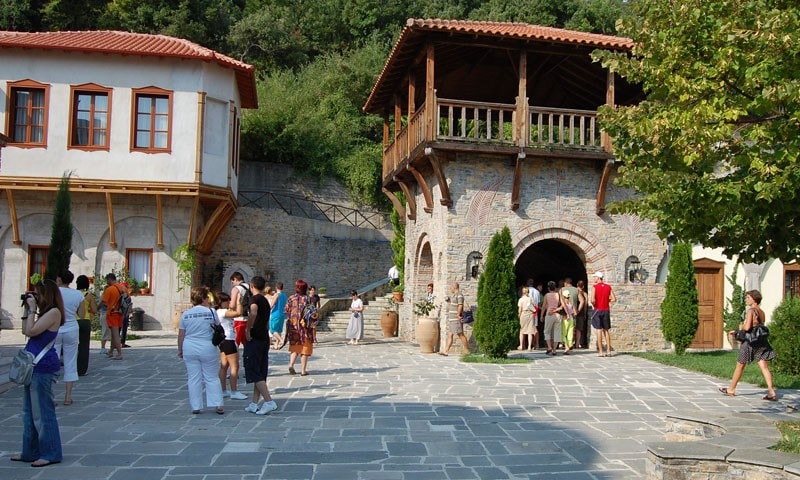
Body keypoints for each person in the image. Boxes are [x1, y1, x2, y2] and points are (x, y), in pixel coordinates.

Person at [11, 279, 63, 467]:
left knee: (42, 412)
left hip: (43, 366)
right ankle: (30, 451)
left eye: (38, 294)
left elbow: (32, 332)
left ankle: (51, 453)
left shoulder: (54, 313)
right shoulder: (43, 313)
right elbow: (26, 329)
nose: (36, 297)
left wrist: (32, 309)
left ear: (46, 295)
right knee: (28, 412)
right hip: (32, 366)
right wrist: (28, 309)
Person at [719, 290, 777, 400]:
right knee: (764, 366)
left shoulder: (751, 311)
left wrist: (737, 331)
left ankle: (731, 389)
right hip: (760, 341)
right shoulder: (761, 312)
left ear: (754, 299)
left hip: (750, 342)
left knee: (740, 364)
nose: (746, 299)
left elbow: (747, 328)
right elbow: (759, 325)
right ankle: (771, 391)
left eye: (748, 297)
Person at [178, 286, 225, 415]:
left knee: (193, 377)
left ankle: (196, 406)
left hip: (189, 347)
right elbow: (218, 327)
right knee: (211, 376)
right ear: (204, 298)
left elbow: (181, 334)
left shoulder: (186, 314)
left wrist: (180, 349)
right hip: (207, 346)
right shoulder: (211, 312)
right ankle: (218, 404)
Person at [243, 276, 278, 415]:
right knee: (260, 370)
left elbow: (253, 312)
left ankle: (269, 401)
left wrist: (248, 329)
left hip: (255, 338)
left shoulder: (254, 299)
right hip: (264, 337)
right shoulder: (265, 300)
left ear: (251, 285)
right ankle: (254, 403)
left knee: (253, 369)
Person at [55, 269, 85, 405]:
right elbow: (82, 314)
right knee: (70, 361)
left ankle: (51, 395)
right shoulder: (77, 294)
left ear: (59, 279)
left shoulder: (54, 292)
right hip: (72, 328)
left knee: (52, 361)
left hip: (55, 328)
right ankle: (68, 396)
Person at [214, 292, 248, 400]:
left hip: (223, 340)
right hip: (229, 339)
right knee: (235, 366)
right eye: (227, 301)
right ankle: (234, 391)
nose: (229, 302)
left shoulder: (217, 312)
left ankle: (223, 390)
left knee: (224, 366)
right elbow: (238, 313)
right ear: (221, 302)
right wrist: (239, 301)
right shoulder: (223, 312)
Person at [285, 280, 317, 375]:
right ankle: (303, 371)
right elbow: (313, 313)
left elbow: (286, 310)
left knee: (295, 347)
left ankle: (291, 364)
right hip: (305, 327)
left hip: (294, 327)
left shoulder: (291, 298)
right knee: (305, 349)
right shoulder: (308, 299)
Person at [589, 271, 616, 357]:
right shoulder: (608, 287)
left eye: (595, 277)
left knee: (598, 330)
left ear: (598, 277)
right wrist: (607, 301)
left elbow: (592, 300)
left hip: (597, 309)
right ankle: (608, 351)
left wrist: (594, 303)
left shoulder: (595, 287)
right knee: (606, 330)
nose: (594, 278)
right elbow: (614, 299)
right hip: (606, 310)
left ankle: (600, 351)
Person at [439, 283, 470, 356]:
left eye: (451, 287)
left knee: (460, 334)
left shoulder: (459, 295)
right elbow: (453, 305)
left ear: (454, 287)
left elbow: (460, 305)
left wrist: (458, 314)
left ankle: (467, 351)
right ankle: (446, 351)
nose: (450, 289)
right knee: (450, 335)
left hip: (456, 319)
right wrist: (449, 301)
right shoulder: (454, 295)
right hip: (452, 319)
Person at [99, 273, 125, 360]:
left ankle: (119, 353)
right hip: (121, 313)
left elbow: (103, 302)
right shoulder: (123, 288)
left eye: (107, 280)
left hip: (112, 313)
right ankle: (111, 351)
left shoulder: (110, 289)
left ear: (109, 280)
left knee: (115, 334)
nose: (107, 282)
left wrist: (96, 308)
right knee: (115, 334)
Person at [75, 275, 98, 376]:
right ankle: (82, 369)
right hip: (85, 320)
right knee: (84, 346)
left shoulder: (74, 294)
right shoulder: (89, 295)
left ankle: (72, 366)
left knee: (73, 345)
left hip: (74, 321)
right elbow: (94, 310)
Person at [229, 272, 251, 347]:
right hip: (248, 317)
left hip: (238, 317)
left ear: (235, 279)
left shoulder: (236, 289)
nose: (233, 284)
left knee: (235, 342)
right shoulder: (250, 287)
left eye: (233, 282)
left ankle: (235, 358)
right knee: (246, 341)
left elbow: (232, 305)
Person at [560, 278, 580, 355]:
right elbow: (575, 313)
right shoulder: (571, 303)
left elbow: (561, 308)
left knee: (563, 333)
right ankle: (570, 344)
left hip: (565, 319)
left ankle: (566, 347)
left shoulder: (563, 302)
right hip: (571, 319)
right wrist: (572, 314)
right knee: (570, 333)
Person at [541, 281, 562, 355]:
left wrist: (541, 315)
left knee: (547, 331)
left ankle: (549, 347)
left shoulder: (546, 295)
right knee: (557, 332)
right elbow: (561, 305)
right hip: (557, 314)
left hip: (549, 314)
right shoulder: (558, 295)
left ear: (548, 288)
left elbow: (544, 306)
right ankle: (554, 349)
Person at [269, 282, 288, 350]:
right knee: (279, 330)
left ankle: (282, 340)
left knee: (272, 330)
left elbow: (272, 304)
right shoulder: (284, 295)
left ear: (276, 287)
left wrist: (267, 309)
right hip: (282, 314)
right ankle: (276, 345)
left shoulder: (276, 295)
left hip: (275, 313)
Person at [517, 287, 536, 351]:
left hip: (523, 314)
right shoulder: (531, 299)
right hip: (530, 314)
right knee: (530, 331)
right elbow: (534, 306)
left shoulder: (521, 299)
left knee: (522, 331)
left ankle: (521, 345)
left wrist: (519, 315)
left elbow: (520, 309)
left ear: (522, 292)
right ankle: (529, 346)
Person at [574, 280, 589, 349]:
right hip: (581, 313)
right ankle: (577, 344)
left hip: (573, 312)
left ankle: (570, 343)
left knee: (572, 328)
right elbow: (585, 305)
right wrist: (585, 313)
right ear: (583, 286)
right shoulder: (585, 294)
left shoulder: (574, 292)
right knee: (579, 329)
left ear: (577, 284)